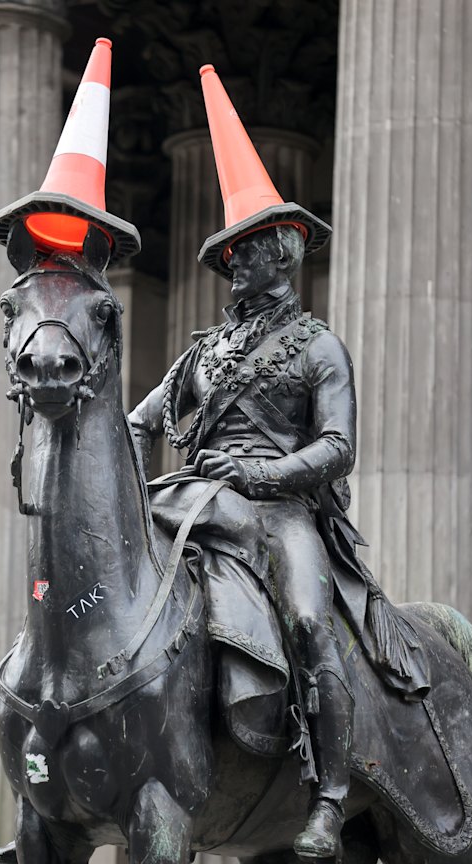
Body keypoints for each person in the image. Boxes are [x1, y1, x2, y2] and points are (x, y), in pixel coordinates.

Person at [129, 224, 357, 858]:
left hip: (280, 511)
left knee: (311, 623)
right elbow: (138, 422)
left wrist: (258, 472)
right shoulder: (204, 354)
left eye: (246, 250)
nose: (234, 262)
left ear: (282, 255)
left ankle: (331, 798)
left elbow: (338, 447)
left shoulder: (320, 348)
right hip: (194, 500)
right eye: (228, 253)